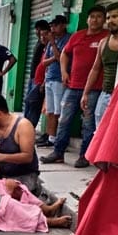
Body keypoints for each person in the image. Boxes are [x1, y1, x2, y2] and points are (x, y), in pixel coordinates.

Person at [40, 5, 109, 167]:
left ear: (104, 20)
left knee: (88, 123)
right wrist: (64, 71)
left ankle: (85, 155)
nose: (95, 20)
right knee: (64, 119)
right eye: (92, 16)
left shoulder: (106, 37)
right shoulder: (78, 36)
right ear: (87, 19)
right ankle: (58, 152)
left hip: (94, 88)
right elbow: (65, 53)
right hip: (73, 86)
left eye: (99, 17)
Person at [0, 93, 41, 195]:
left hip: (23, 177)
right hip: (1, 176)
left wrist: (1, 157)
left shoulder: (23, 126)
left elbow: (27, 157)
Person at [82, 2, 118, 127]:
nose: (110, 21)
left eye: (115, 16)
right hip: (105, 95)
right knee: (99, 131)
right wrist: (85, 93)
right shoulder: (103, 43)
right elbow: (95, 69)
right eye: (108, 17)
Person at [38, 15, 71, 147]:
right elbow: (44, 62)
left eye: (55, 25)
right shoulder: (53, 41)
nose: (52, 29)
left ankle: (58, 138)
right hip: (50, 78)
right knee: (50, 111)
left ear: (63, 25)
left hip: (59, 79)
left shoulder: (67, 40)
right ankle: (51, 137)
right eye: (51, 26)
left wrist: (52, 44)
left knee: (58, 111)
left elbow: (61, 58)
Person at [24, 20, 51, 128]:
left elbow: (47, 65)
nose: (39, 34)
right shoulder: (41, 43)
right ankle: (25, 125)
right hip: (34, 78)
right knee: (29, 102)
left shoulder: (48, 46)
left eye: (41, 32)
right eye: (39, 33)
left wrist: (43, 82)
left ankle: (29, 127)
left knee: (34, 103)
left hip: (40, 80)